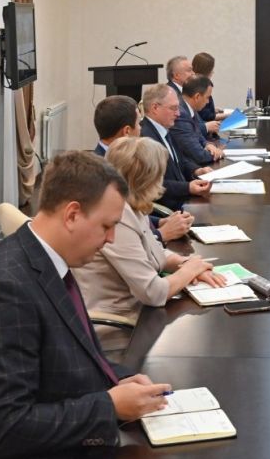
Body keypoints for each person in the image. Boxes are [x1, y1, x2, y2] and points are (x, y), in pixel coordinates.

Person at [0, 152, 172, 459]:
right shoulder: (5, 290)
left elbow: (69, 357)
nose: (111, 239)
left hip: (69, 449)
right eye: (107, 226)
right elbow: (8, 427)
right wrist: (110, 406)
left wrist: (121, 379)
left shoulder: (49, 261)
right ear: (72, 215)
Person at [74, 138, 225, 328]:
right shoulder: (117, 218)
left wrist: (185, 263)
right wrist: (188, 271)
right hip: (122, 326)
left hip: (140, 313)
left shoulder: (133, 205)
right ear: (148, 178)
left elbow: (152, 250)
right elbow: (153, 292)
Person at [92, 97, 191, 242]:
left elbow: (133, 212)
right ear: (127, 131)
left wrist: (159, 222)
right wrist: (160, 233)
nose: (141, 128)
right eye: (139, 123)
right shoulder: (100, 175)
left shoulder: (107, 161)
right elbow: (120, 226)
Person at [140, 83, 212, 210]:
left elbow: (179, 160)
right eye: (173, 108)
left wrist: (196, 170)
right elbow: (152, 184)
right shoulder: (145, 138)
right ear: (155, 108)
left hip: (182, 200)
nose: (178, 113)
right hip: (170, 208)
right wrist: (188, 187)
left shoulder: (164, 128)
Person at [171, 74, 224, 166]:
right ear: (197, 97)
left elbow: (198, 133)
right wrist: (218, 153)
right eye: (207, 97)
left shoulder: (189, 107)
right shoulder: (181, 115)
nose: (208, 102)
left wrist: (208, 145)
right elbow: (199, 156)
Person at [192, 51, 230, 124]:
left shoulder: (191, 82)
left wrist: (213, 110)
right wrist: (228, 115)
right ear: (206, 70)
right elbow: (207, 116)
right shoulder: (203, 85)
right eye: (211, 69)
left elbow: (202, 111)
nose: (213, 72)